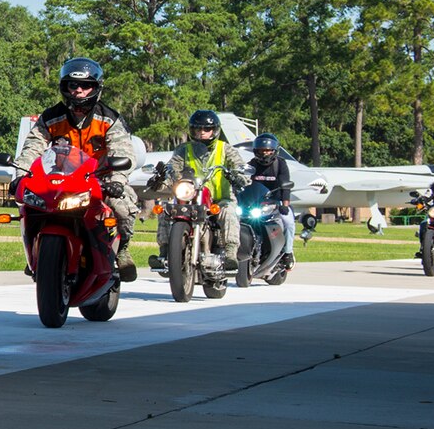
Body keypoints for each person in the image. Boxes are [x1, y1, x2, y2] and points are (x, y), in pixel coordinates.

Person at [17, 56, 140, 276]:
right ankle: (37, 252)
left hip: (101, 179)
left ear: (96, 87)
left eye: (86, 85)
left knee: (123, 205)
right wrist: (20, 175)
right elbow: (32, 147)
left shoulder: (110, 118)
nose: (79, 91)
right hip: (60, 181)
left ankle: (122, 250)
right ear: (65, 87)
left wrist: (118, 181)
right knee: (30, 206)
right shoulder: (50, 117)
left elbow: (122, 151)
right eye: (73, 85)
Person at [149, 109, 251, 271]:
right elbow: (172, 167)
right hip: (189, 196)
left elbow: (239, 166)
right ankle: (164, 252)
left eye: (206, 129)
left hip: (219, 198)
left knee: (230, 211)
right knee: (165, 209)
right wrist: (161, 177)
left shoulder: (225, 149)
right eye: (198, 129)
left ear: (215, 130)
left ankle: (231, 253)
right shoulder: (184, 149)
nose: (202, 132)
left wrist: (239, 175)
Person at [245, 132, 297, 267]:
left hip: (276, 202)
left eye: (268, 150)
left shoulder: (280, 164)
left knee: (288, 222)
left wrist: (285, 205)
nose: (264, 153)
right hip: (255, 203)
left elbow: (285, 185)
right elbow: (243, 183)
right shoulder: (251, 165)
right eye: (261, 150)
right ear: (256, 151)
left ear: (274, 151)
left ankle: (288, 253)